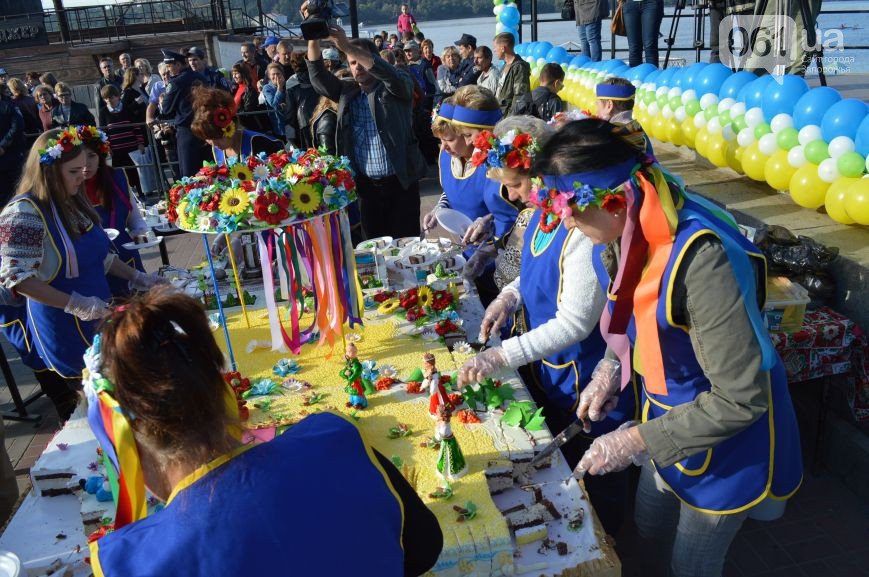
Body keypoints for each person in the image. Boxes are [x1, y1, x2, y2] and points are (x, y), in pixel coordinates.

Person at [541, 119, 802, 575]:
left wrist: (637, 439)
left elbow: (740, 399)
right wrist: (609, 367)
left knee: (691, 564)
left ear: (617, 199)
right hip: (666, 412)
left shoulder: (701, 261)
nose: (562, 219)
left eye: (568, 204)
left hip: (726, 434)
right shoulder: (630, 228)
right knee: (650, 528)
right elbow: (636, 316)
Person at [86, 287, 443, 577]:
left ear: (126, 444)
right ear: (223, 393)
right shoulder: (335, 441)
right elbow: (424, 549)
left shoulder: (132, 563)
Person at [0, 128, 157, 384]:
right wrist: (76, 304)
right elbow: (19, 280)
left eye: (82, 169)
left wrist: (138, 278)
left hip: (96, 315)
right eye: (73, 172)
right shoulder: (22, 213)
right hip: (63, 326)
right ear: (49, 172)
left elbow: (100, 257)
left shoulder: (71, 201)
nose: (82, 177)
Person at [306, 22, 427, 239]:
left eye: (360, 60)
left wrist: (346, 45)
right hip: (367, 189)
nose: (357, 67)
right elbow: (317, 76)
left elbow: (389, 76)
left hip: (401, 184)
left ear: (375, 61)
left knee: (407, 247)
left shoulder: (398, 86)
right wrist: (313, 36)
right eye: (352, 63)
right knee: (373, 251)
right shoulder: (347, 93)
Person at [424, 89, 518, 305]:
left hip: (506, 259)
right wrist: (439, 209)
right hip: (472, 251)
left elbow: (519, 212)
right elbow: (450, 190)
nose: (444, 147)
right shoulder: (459, 155)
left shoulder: (502, 159)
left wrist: (490, 225)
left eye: (465, 135)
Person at [191, 87, 283, 261]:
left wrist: (240, 237)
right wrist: (225, 235)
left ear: (229, 127)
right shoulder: (217, 149)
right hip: (247, 230)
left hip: (275, 228)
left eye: (215, 137)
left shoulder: (261, 144)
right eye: (207, 138)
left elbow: (276, 197)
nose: (212, 143)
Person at [464, 115, 553, 291]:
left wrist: (514, 293)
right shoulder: (532, 210)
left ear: (542, 174)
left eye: (516, 185)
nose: (511, 196)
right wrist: (489, 249)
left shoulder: (566, 220)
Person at [78, 125, 147, 298]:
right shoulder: (68, 188)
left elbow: (135, 219)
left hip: (127, 257)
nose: (86, 164)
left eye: (92, 156)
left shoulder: (117, 178)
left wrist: (141, 234)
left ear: (101, 156)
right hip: (93, 267)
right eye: (80, 158)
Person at [160, 49, 208, 177]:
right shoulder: (201, 77)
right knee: (209, 170)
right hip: (206, 128)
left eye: (170, 66)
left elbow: (166, 109)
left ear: (178, 65)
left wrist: (162, 99)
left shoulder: (176, 82)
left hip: (187, 131)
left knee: (189, 173)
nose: (168, 70)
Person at [99, 84, 145, 191]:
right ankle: (125, 196)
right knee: (119, 174)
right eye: (106, 98)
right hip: (116, 150)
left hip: (131, 148)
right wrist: (107, 147)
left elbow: (136, 127)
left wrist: (140, 143)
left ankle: (141, 194)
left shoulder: (127, 109)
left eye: (111, 97)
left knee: (134, 173)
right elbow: (103, 133)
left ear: (117, 96)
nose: (109, 100)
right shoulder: (103, 112)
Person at [594, 77, 653, 156]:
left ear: (609, 105)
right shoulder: (637, 129)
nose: (596, 110)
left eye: (598, 104)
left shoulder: (612, 134)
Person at [284, 54, 321, 150]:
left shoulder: (291, 82)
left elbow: (290, 112)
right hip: (320, 118)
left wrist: (290, 136)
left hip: (302, 122)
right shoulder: (318, 77)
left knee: (307, 155)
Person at [493, 32, 530, 116]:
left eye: (495, 47)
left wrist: (510, 118)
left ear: (503, 48)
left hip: (509, 116)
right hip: (500, 113)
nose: (494, 50)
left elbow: (520, 97)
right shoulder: (504, 66)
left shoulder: (519, 67)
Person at [0, 83, 25, 206]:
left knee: (16, 189)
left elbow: (17, 126)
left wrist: (3, 145)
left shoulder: (9, 106)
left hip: (11, 155)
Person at [623, 0, 662, 67]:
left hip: (651, 3)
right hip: (630, 3)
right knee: (634, 48)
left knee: (650, 46)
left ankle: (651, 76)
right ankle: (634, 77)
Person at [259, 62, 288, 139]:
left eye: (278, 74)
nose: (276, 76)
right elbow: (274, 104)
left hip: (291, 123)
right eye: (273, 74)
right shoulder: (267, 88)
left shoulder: (288, 85)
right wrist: (279, 89)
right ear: (269, 76)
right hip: (278, 126)